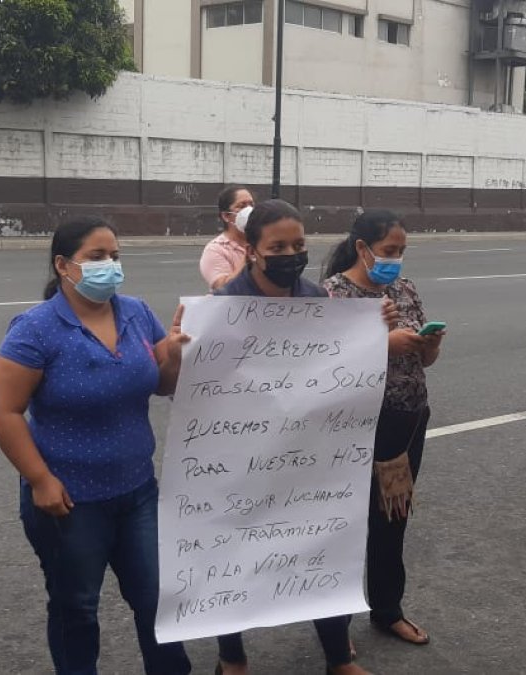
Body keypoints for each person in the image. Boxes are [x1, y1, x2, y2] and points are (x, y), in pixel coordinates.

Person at [0, 218, 192, 675]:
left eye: (115, 256)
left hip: (138, 491)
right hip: (68, 501)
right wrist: (40, 480)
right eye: (97, 257)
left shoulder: (136, 312)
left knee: (157, 598)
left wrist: (174, 357)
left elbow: (161, 385)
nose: (111, 266)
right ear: (64, 265)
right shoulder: (36, 329)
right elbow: (4, 410)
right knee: (76, 607)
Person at [212, 199, 370, 675]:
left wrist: (368, 341)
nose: (291, 253)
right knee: (232, 553)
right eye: (277, 246)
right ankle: (232, 657)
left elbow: (333, 373)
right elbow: (206, 391)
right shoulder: (224, 309)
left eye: (299, 245)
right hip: (242, 456)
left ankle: (338, 656)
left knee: (322, 546)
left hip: (306, 455)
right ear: (252, 250)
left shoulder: (316, 300)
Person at [321, 210, 443, 647]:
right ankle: (335, 628)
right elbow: (323, 365)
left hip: (407, 421)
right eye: (389, 251)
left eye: (401, 252)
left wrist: (429, 345)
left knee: (392, 519)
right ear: (362, 248)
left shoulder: (404, 289)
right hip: (354, 426)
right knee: (346, 523)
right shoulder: (334, 294)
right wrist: (381, 341)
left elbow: (423, 362)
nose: (396, 260)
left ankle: (387, 610)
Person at [200, 185, 255, 290]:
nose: (249, 210)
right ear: (226, 216)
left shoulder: (263, 240)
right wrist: (247, 259)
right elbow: (222, 287)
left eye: (251, 205)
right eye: (242, 206)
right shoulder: (216, 249)